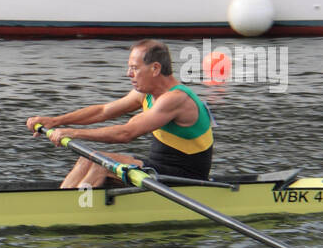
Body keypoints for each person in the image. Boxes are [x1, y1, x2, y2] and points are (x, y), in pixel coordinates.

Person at [25, 39, 213, 188]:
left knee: (102, 163)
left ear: (155, 68)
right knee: (87, 158)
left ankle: (72, 211)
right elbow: (103, 111)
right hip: (157, 168)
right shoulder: (145, 94)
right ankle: (65, 202)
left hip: (188, 178)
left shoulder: (175, 99)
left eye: (134, 68)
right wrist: (55, 121)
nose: (128, 74)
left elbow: (126, 134)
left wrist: (72, 133)